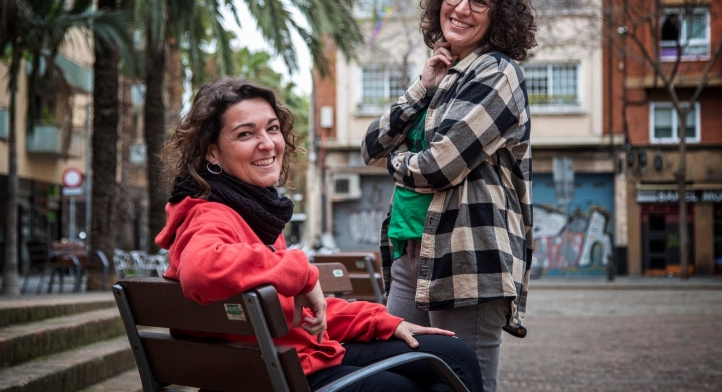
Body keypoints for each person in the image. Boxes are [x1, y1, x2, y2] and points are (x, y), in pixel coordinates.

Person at [156, 77, 483, 392]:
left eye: (272, 128)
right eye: (245, 134)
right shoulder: (208, 214)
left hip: (290, 357)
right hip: (279, 372)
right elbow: (201, 269)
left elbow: (298, 314)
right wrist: (299, 272)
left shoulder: (250, 211)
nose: (267, 143)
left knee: (453, 354)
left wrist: (382, 321)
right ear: (212, 152)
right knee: (425, 377)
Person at [361, 0, 537, 392]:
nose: (461, 8)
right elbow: (370, 144)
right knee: (404, 378)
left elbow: (440, 165)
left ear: (500, 16)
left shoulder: (499, 73)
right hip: (409, 252)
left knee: (462, 383)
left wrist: (396, 164)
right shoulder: (444, 77)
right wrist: (423, 86)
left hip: (465, 256)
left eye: (480, 1)